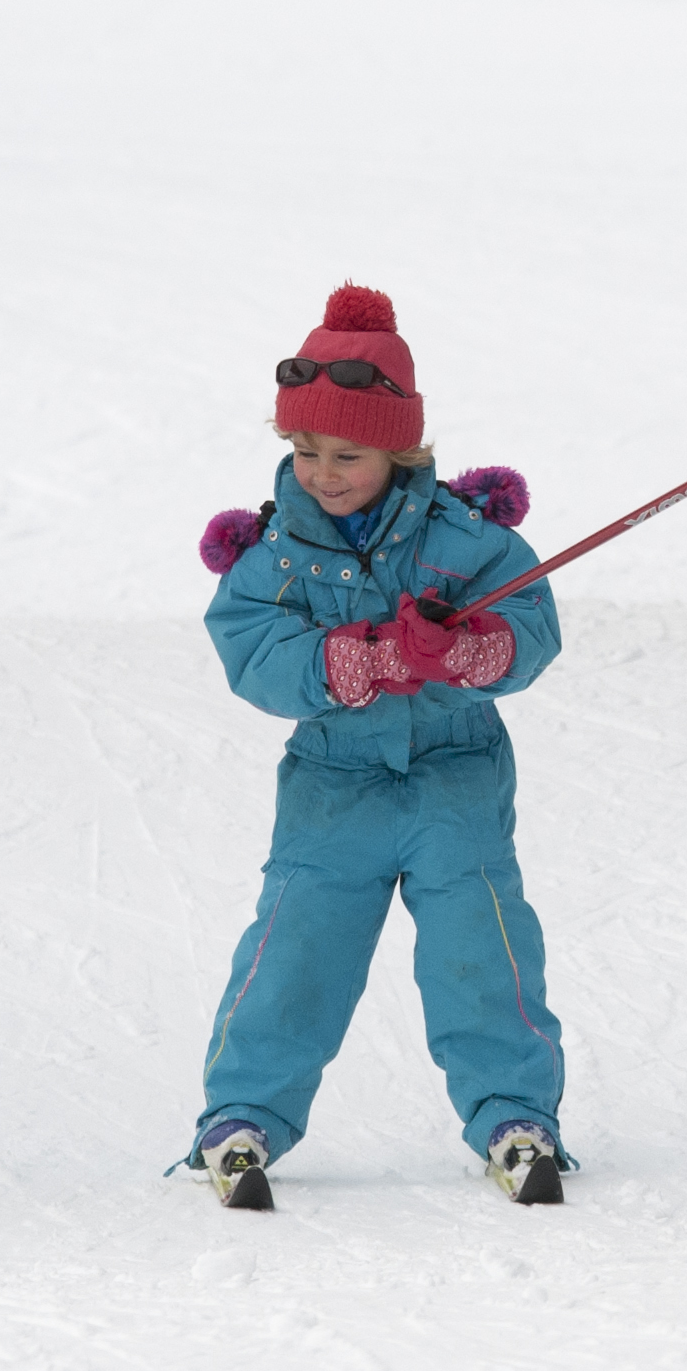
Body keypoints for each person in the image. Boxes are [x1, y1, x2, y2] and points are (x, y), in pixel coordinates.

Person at [185, 286, 569, 1208]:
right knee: (294, 952)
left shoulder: (466, 538)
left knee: (482, 950)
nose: (322, 471)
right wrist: (353, 658)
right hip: (334, 787)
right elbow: (251, 649)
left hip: (454, 776)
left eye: (346, 454)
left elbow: (533, 621)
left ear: (400, 450)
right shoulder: (272, 556)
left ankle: (515, 1115)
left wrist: (475, 649)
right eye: (304, 450)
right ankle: (240, 1117)